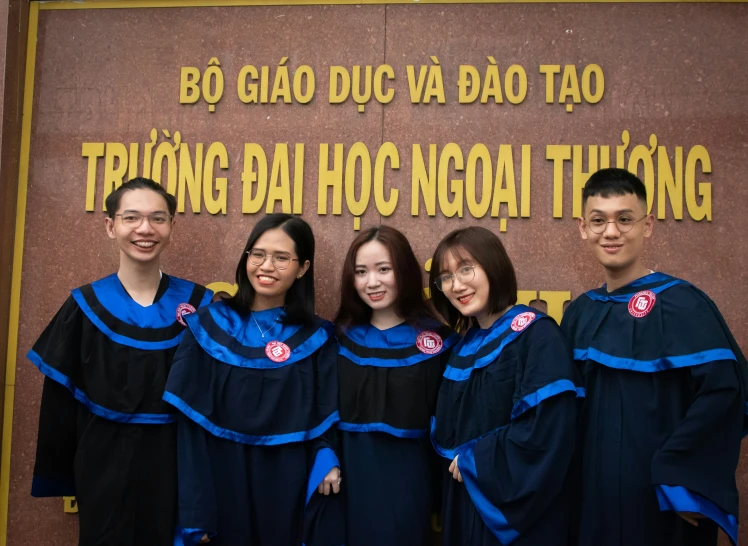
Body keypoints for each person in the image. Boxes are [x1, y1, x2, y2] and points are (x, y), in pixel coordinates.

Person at [561, 167, 747, 546]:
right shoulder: (580, 313)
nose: (611, 232)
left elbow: (724, 397)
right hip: (591, 497)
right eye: (598, 221)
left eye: (625, 220)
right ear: (582, 228)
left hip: (662, 500)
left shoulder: (682, 306)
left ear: (648, 226)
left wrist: (685, 479)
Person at [29, 177, 213, 546]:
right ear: (111, 226)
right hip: (104, 464)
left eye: (157, 218)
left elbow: (215, 401)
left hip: (177, 461)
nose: (145, 229)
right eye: (132, 218)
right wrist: (66, 476)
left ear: (172, 227)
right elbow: (59, 405)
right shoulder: (85, 306)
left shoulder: (199, 304)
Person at [163, 213, 342, 546]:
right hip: (220, 474)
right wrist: (195, 511)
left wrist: (326, 456)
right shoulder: (207, 326)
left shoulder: (316, 337)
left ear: (302, 268)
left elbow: (325, 414)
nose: (266, 266)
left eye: (281, 258)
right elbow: (189, 429)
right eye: (257, 254)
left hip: (287, 475)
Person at [428, 226, 581, 546]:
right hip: (466, 502)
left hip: (516, 511)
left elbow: (549, 429)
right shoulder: (463, 346)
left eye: (466, 269)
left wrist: (476, 459)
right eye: (445, 277)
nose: (456, 285)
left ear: (493, 265)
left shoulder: (536, 335)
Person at [334, 225, 458, 546]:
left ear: (403, 271)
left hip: (407, 484)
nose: (372, 282)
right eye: (361, 272)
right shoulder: (336, 341)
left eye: (383, 269)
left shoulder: (439, 343)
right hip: (342, 481)